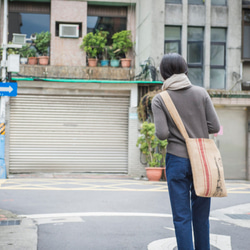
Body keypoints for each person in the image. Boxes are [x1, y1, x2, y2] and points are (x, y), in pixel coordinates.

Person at [152, 53, 220, 250]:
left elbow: (162, 134)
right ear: (185, 69)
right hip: (203, 160)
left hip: (177, 159)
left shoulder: (160, 99)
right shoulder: (201, 93)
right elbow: (214, 126)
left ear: (164, 73)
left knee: (182, 217)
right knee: (201, 217)